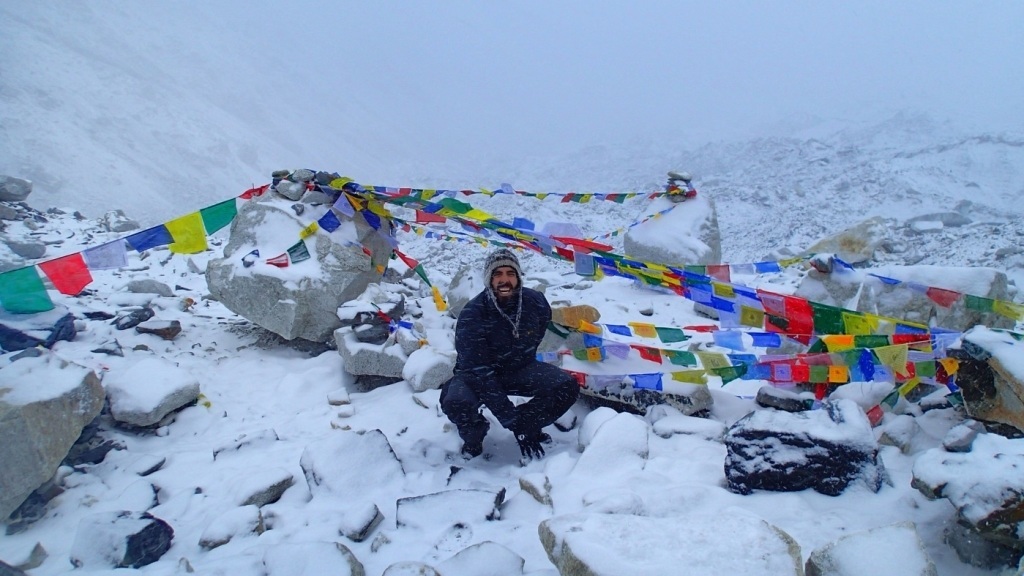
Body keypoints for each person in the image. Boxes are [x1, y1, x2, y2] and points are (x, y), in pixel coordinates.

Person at [440, 248, 580, 461]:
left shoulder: (536, 303)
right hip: (475, 375)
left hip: (518, 368)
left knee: (566, 386)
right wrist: (509, 418)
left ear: (518, 277)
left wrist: (522, 423)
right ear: (489, 279)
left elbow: (539, 330)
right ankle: (474, 438)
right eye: (497, 274)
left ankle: (529, 425)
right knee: (455, 401)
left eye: (510, 273)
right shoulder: (473, 314)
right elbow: (479, 371)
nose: (504, 280)